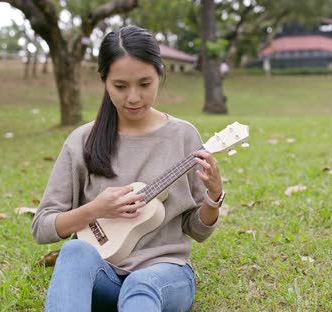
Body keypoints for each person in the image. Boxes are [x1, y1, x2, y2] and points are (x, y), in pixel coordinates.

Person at [31, 25, 225, 312]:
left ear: (160, 75)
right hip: (104, 275)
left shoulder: (184, 137)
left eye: (144, 84)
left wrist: (214, 197)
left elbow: (197, 230)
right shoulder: (82, 141)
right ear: (105, 82)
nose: (133, 98)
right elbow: (42, 227)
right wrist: (94, 210)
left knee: (140, 285)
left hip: (165, 275)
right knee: (72, 251)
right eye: (120, 86)